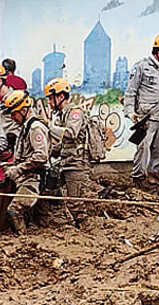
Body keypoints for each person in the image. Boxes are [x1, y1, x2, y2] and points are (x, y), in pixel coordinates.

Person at [124, 33, 159, 194]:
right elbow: (131, 91)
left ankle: (155, 185)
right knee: (143, 149)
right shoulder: (142, 67)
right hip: (146, 118)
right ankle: (139, 182)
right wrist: (130, 112)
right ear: (158, 51)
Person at [45, 77, 92, 226]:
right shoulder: (62, 115)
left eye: (51, 98)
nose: (49, 102)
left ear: (60, 96)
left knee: (75, 202)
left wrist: (49, 127)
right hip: (65, 162)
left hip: (76, 164)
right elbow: (65, 143)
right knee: (51, 191)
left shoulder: (74, 113)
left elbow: (72, 133)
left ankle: (86, 229)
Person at [2, 90, 50, 234]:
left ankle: (22, 240)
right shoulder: (25, 127)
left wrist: (19, 168)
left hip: (34, 179)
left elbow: (41, 156)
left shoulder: (35, 128)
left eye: (14, 113)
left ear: (24, 110)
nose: (12, 117)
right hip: (26, 177)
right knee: (39, 220)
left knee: (13, 211)